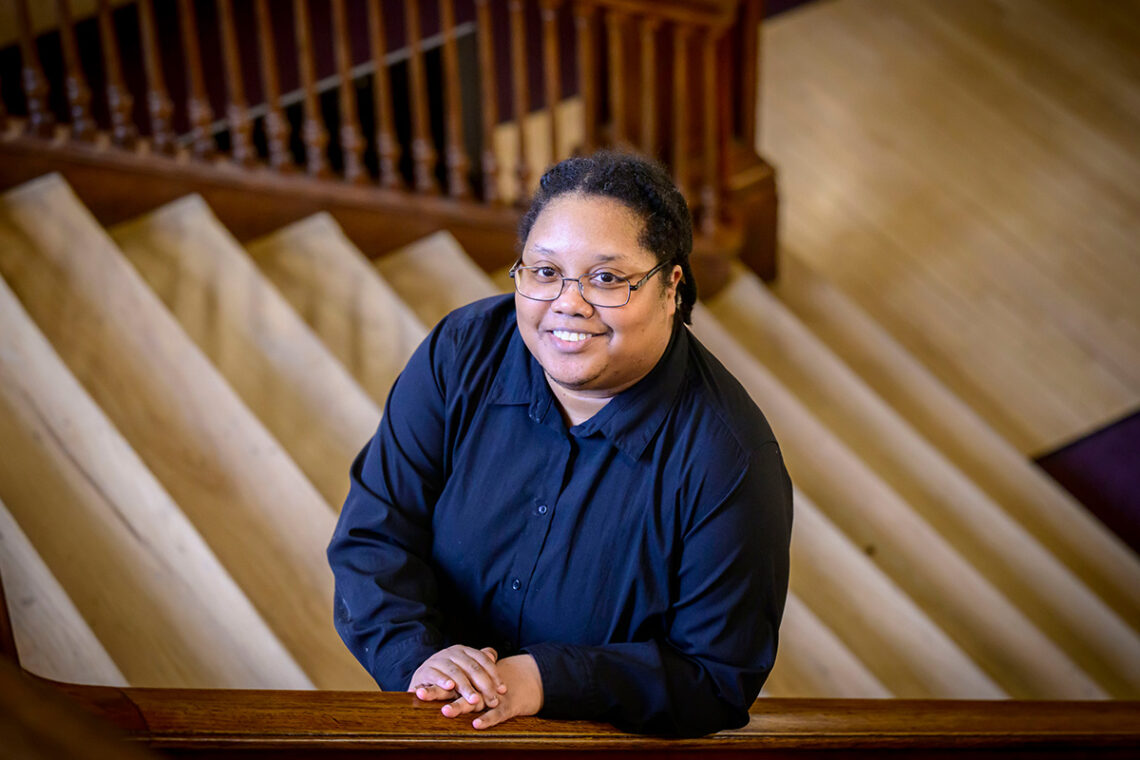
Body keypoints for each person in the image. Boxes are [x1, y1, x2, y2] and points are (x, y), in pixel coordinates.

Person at [328, 151, 793, 737]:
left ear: (671, 287)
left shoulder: (730, 461)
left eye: (607, 278)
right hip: (433, 723)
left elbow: (717, 677)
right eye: (544, 272)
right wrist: (419, 658)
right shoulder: (461, 351)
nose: (567, 304)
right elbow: (375, 533)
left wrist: (545, 679)